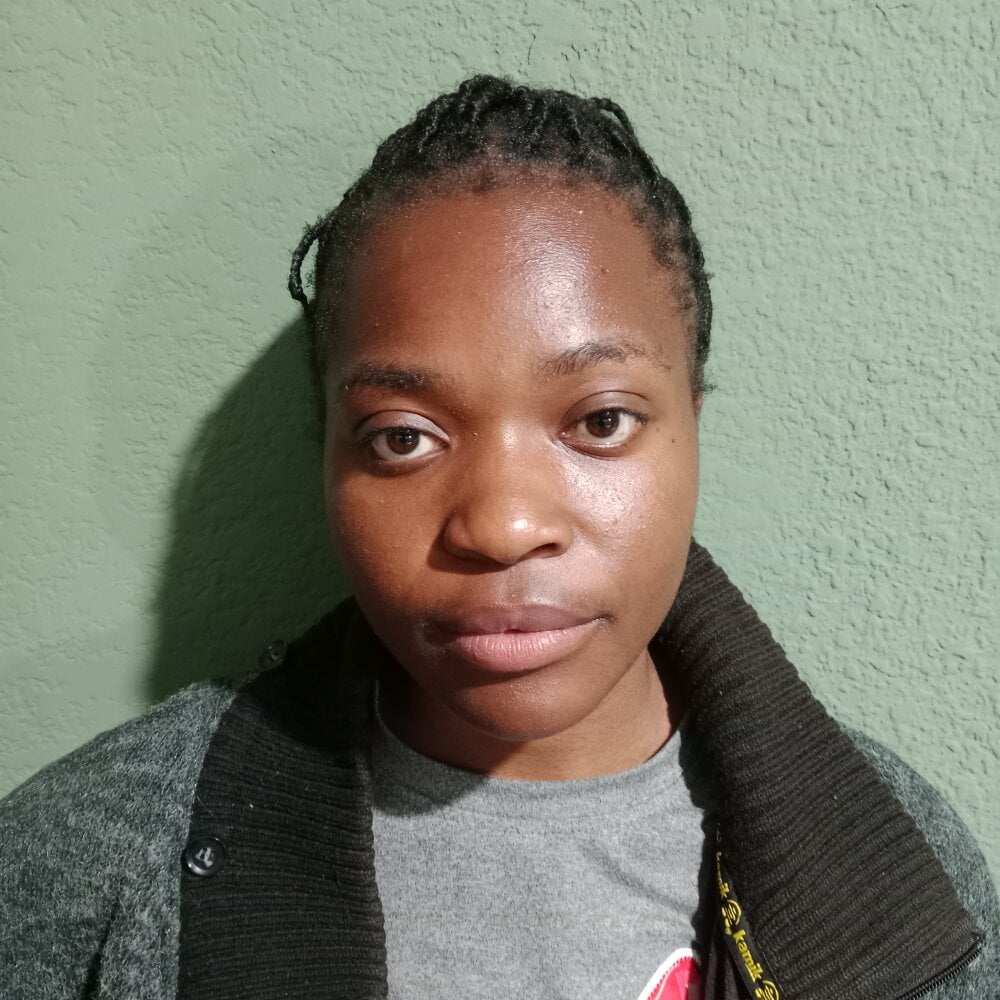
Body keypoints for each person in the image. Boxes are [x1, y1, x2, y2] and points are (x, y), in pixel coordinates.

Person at [0, 75, 996, 1000]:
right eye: (403, 437)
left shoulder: (906, 873)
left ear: (693, 424)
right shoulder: (89, 863)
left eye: (600, 420)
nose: (504, 526)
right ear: (327, 451)